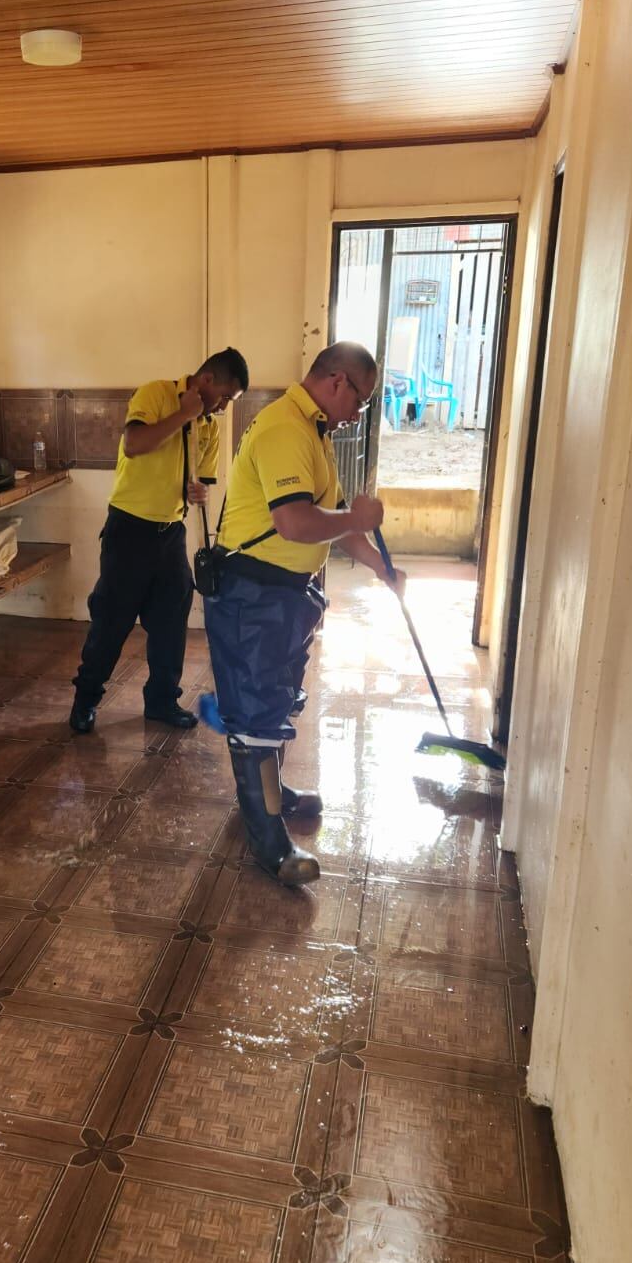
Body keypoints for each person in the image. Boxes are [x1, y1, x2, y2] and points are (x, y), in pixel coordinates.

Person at [203, 341, 403, 885]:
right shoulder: (285, 429)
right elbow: (294, 522)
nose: (358, 413)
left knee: (275, 699)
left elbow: (330, 522)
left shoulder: (310, 430)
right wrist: (354, 516)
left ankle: (271, 794)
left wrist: (380, 567)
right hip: (254, 593)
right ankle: (268, 841)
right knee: (256, 717)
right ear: (338, 381)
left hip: (283, 596)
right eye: (360, 399)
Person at [70, 347, 250, 733]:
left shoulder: (209, 427)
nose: (221, 409)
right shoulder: (155, 395)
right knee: (112, 623)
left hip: (171, 534)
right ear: (206, 382)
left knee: (171, 623)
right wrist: (184, 413)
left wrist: (197, 492)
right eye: (223, 398)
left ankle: (162, 702)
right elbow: (134, 445)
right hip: (128, 531)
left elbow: (200, 482)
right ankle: (86, 699)